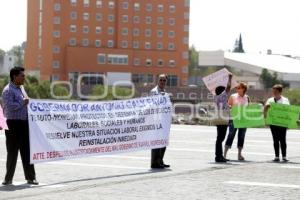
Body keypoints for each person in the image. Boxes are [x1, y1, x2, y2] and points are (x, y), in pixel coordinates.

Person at [2, 67, 38, 185]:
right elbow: (9, 107)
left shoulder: (21, 88)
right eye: (22, 75)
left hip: (24, 123)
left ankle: (31, 177)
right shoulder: (8, 90)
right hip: (13, 124)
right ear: (14, 76)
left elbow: (26, 101)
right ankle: (8, 178)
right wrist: (23, 102)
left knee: (27, 151)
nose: (24, 77)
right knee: (12, 152)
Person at [224, 82, 250, 161]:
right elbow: (228, 106)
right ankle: (224, 155)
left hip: (243, 119)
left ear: (244, 89)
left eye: (239, 88)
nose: (237, 89)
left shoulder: (247, 97)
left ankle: (239, 154)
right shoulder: (233, 96)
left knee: (241, 136)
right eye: (237, 88)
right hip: (233, 119)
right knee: (231, 135)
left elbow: (249, 108)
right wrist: (231, 107)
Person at [264, 84, 290, 162]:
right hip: (273, 122)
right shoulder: (270, 100)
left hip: (282, 122)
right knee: (275, 139)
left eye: (275, 91)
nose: (274, 92)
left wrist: (289, 123)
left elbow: (288, 111)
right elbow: (265, 111)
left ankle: (284, 156)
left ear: (280, 91)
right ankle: (276, 156)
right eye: (273, 91)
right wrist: (266, 110)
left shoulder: (285, 100)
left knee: (283, 139)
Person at [150, 74, 170, 169]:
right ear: (158, 81)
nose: (162, 82)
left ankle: (160, 160)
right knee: (156, 142)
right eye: (161, 80)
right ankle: (155, 162)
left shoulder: (165, 93)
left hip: (164, 121)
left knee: (163, 142)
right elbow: (152, 105)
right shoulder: (154, 92)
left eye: (164, 80)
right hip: (156, 121)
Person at [214, 73, 232, 163]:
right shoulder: (222, 95)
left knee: (219, 138)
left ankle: (219, 155)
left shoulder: (216, 97)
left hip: (219, 118)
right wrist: (230, 78)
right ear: (222, 91)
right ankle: (218, 156)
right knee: (221, 138)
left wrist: (228, 107)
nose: (227, 91)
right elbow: (228, 87)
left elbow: (223, 106)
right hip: (223, 118)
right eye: (224, 90)